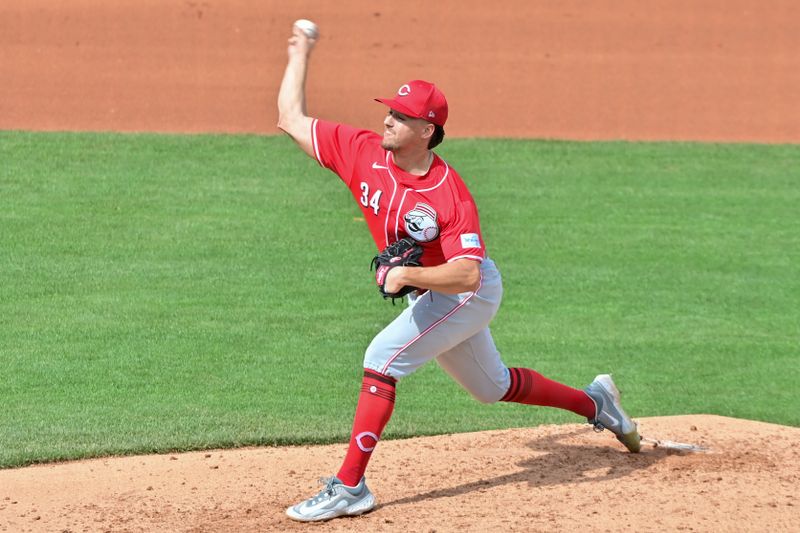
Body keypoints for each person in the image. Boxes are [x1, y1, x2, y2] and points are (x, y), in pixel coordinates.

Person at [277, 23, 641, 523]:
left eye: (400, 116)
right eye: (388, 110)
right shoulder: (362, 151)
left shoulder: (449, 192)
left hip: (466, 293)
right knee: (490, 387)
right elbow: (290, 118)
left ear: (426, 131)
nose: (386, 120)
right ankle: (597, 403)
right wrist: (300, 53)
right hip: (437, 294)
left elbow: (467, 274)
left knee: (381, 359)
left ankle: (349, 486)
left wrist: (408, 278)